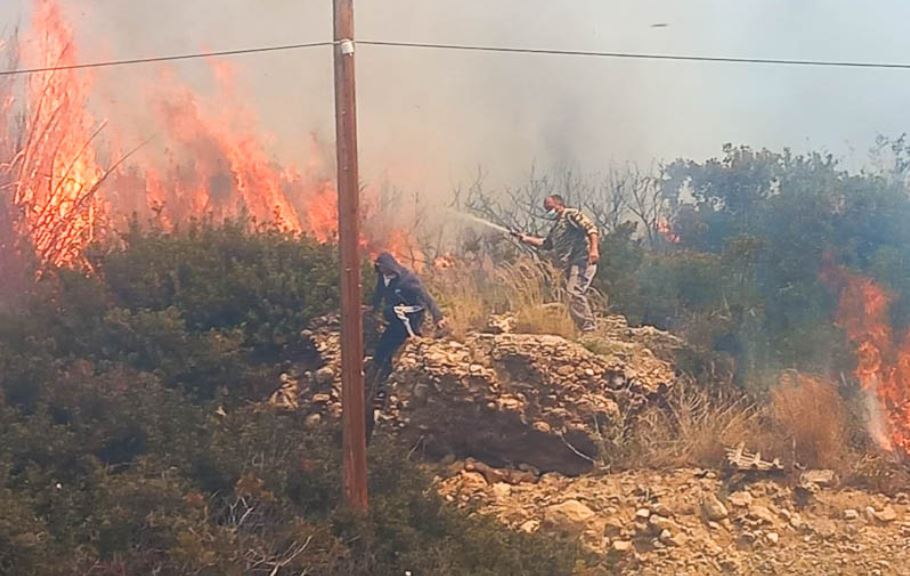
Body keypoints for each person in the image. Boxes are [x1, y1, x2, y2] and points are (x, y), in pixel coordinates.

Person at [369, 252, 446, 408]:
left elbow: (426, 297)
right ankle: (380, 384)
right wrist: (373, 309)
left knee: (394, 343)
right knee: (382, 350)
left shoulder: (407, 280)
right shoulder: (383, 278)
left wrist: (438, 317)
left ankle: (386, 385)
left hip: (410, 317)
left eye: (383, 267)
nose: (382, 270)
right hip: (395, 320)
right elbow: (379, 293)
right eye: (379, 268)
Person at [517, 194, 600, 332]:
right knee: (573, 295)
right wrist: (525, 239)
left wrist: (594, 250)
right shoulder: (556, 228)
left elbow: (591, 229)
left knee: (574, 292)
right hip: (570, 266)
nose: (548, 211)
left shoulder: (571, 214)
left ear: (559, 204)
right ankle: (584, 328)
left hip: (582, 261)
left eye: (550, 207)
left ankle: (589, 329)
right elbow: (546, 244)